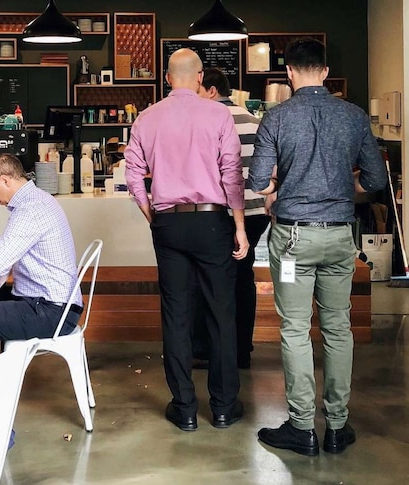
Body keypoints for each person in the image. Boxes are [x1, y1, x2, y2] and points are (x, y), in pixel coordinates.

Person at [249, 38, 387, 456]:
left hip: (292, 237)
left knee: (294, 329)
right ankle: (337, 427)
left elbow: (257, 182)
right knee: (337, 328)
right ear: (325, 72)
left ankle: (301, 427)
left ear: (289, 73)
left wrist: (276, 191)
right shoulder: (353, 116)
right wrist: (345, 190)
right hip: (341, 235)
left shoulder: (276, 117)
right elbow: (377, 181)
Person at [124, 49, 248, 432]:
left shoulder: (147, 117)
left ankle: (185, 408)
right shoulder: (218, 114)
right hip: (212, 222)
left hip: (169, 225)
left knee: (176, 316)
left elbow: (132, 176)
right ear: (199, 77)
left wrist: (152, 217)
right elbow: (232, 175)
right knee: (221, 313)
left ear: (166, 77)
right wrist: (239, 225)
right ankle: (224, 407)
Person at [0, 153, 81, 359]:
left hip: (50, 312)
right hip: (50, 303)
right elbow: (16, 244)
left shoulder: (29, 210)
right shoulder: (37, 199)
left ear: (4, 180)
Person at [191, 67, 270, 369]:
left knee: (208, 278)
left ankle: (205, 350)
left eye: (198, 90)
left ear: (210, 91)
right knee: (242, 276)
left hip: (219, 213)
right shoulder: (255, 121)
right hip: (255, 213)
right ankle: (240, 352)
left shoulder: (206, 122)